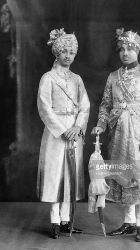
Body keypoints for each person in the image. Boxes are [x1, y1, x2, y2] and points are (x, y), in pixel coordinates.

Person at [91, 28, 140, 242]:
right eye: (122, 49)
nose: (125, 53)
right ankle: (129, 222)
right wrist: (101, 124)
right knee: (124, 177)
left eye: (130, 48)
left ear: (138, 49)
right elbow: (105, 104)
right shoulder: (113, 77)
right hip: (118, 134)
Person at [37, 28, 90, 239]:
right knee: (55, 175)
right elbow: (44, 107)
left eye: (72, 52)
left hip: (74, 133)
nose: (68, 56)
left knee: (71, 175)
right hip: (55, 133)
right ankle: (54, 221)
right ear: (57, 52)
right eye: (64, 51)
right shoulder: (48, 78)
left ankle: (67, 220)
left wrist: (77, 127)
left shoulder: (77, 79)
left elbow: (85, 106)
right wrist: (62, 130)